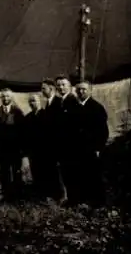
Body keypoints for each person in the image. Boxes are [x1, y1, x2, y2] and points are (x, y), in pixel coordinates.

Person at [73, 81, 109, 207]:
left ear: (90, 91)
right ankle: (83, 200)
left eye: (84, 89)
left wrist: (98, 148)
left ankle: (99, 203)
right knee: (81, 174)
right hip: (78, 148)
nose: (81, 92)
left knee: (95, 175)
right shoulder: (75, 107)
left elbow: (103, 131)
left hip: (92, 148)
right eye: (79, 90)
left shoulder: (97, 107)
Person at [0, 88, 26, 203]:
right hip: (2, 148)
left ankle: (18, 196)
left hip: (15, 148)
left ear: (11, 97)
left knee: (16, 171)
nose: (6, 98)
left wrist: (22, 149)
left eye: (8, 96)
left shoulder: (17, 112)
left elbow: (22, 131)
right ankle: (6, 195)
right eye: (3, 96)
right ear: (1, 98)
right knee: (4, 172)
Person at [52, 75, 82, 205]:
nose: (61, 87)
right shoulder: (59, 102)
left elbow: (76, 126)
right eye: (58, 85)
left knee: (73, 173)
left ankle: (75, 199)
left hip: (72, 145)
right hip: (62, 145)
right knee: (65, 172)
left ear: (70, 86)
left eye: (63, 84)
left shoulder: (73, 101)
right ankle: (69, 198)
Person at [37, 79, 65, 202]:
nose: (42, 91)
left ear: (51, 89)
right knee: (51, 170)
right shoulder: (47, 103)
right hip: (49, 145)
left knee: (60, 171)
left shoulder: (59, 102)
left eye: (44, 88)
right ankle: (54, 195)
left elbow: (59, 126)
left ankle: (63, 196)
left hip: (57, 144)